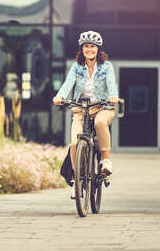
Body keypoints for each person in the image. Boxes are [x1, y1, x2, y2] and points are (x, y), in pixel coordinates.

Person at [52, 31, 118, 196]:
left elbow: (111, 83)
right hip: (81, 108)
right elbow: (68, 83)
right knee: (74, 143)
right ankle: (77, 179)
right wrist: (60, 95)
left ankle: (105, 160)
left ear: (98, 49)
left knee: (100, 123)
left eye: (92, 47)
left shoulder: (106, 66)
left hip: (103, 106)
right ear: (82, 49)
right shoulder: (76, 67)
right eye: (86, 46)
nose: (89, 49)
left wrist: (113, 95)